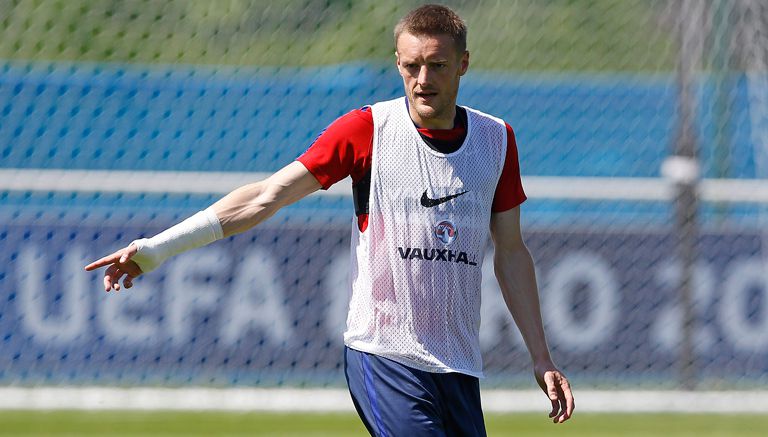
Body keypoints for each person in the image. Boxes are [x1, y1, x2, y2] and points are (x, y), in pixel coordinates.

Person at [85, 4, 574, 435]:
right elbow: (265, 197)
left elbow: (510, 251)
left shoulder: (496, 141)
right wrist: (157, 249)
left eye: (437, 65)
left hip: (460, 367)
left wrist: (541, 356)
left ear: (463, 64)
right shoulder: (368, 130)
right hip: (383, 355)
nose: (423, 80)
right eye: (411, 66)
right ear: (398, 65)